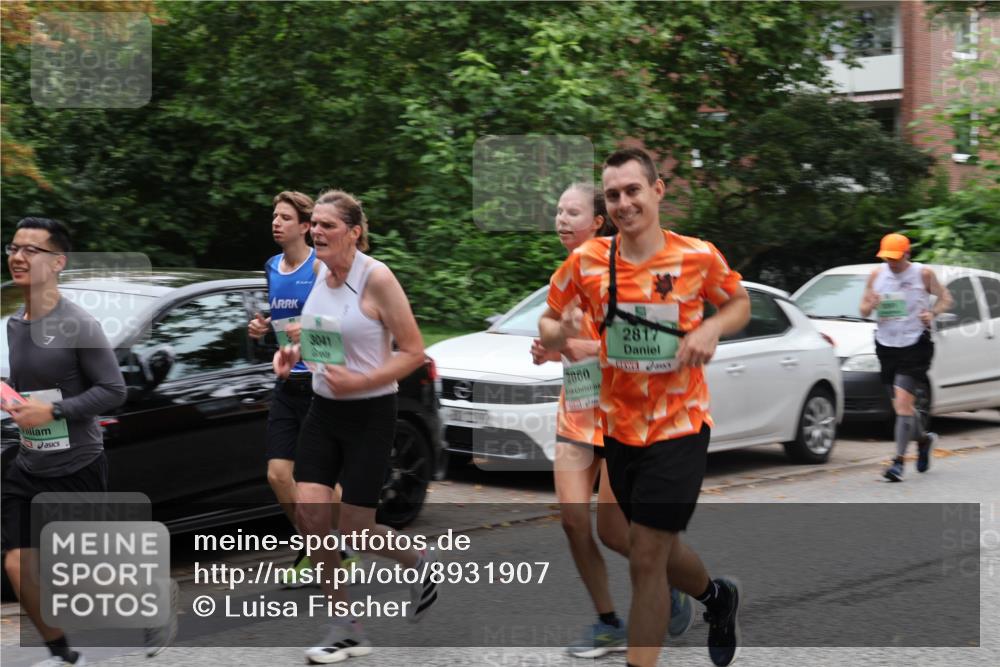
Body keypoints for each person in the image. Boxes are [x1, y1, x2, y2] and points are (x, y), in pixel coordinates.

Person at [539, 149, 751, 667]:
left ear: (657, 191)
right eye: (613, 195)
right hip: (619, 429)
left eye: (633, 190)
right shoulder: (588, 261)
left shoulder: (697, 256)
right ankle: (715, 598)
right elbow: (547, 320)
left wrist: (709, 327)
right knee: (646, 543)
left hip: (680, 426)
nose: (623, 203)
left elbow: (738, 303)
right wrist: (562, 333)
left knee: (647, 557)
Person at [272, 189, 438, 664]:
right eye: (314, 225)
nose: (316, 232)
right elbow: (323, 335)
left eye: (327, 225)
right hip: (324, 410)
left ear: (354, 232)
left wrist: (361, 379)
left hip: (370, 413)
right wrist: (293, 354)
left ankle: (417, 561)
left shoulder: (377, 278)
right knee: (311, 516)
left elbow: (413, 352)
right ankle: (344, 626)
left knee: (357, 529)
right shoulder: (323, 272)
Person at [531, 183, 694, 658]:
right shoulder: (566, 274)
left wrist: (574, 346)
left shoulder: (624, 271)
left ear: (598, 222)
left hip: (621, 415)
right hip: (577, 412)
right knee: (573, 521)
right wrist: (548, 348)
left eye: (572, 212)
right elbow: (557, 335)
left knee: (615, 532)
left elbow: (641, 349)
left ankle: (672, 579)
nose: (561, 219)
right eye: (558, 211)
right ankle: (607, 621)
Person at [2, 218, 129, 666]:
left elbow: (114, 391)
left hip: (76, 466)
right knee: (18, 564)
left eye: (31, 251)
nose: (18, 257)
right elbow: (31, 389)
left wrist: (53, 412)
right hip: (29, 463)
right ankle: (62, 653)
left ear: (58, 263)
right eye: (14, 248)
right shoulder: (16, 323)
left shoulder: (78, 324)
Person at [248, 191, 357, 587]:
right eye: (274, 216)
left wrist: (307, 330)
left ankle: (333, 547)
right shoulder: (272, 266)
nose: (276, 223)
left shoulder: (319, 266)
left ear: (306, 226)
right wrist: (261, 328)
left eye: (285, 217)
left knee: (320, 482)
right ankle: (321, 548)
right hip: (286, 384)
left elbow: (342, 325)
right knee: (279, 475)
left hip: (320, 382)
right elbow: (278, 322)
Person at [859, 233, 952, 482]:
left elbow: (946, 299)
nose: (892, 263)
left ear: (907, 255)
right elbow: (863, 309)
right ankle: (924, 440)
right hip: (886, 344)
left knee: (902, 404)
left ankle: (898, 462)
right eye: (887, 258)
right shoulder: (877, 275)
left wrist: (932, 313)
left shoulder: (922, 274)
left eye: (896, 259)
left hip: (914, 344)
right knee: (903, 407)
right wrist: (872, 303)